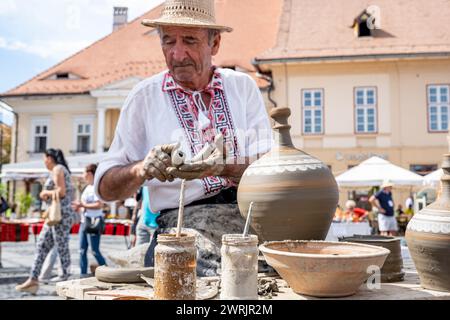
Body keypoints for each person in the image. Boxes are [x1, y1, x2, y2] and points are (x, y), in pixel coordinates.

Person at [94, 0, 272, 276]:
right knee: (223, 275)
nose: (177, 54)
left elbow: (270, 171)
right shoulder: (144, 97)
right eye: (168, 41)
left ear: (215, 44)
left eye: (189, 40)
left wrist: (226, 168)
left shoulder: (243, 87)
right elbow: (106, 189)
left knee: (290, 264)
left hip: (250, 219)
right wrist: (142, 169)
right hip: (182, 226)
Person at [16, 149, 75, 294]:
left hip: (60, 216)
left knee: (62, 247)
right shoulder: (57, 170)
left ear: (49, 158)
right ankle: (33, 279)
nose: (43, 161)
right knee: (42, 244)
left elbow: (61, 192)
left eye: (44, 158)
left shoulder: (58, 169)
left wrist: (44, 193)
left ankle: (65, 280)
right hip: (53, 217)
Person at [72, 164, 107, 278]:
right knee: (81, 250)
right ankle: (83, 274)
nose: (83, 175)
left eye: (84, 172)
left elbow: (99, 205)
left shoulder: (97, 187)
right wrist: (80, 207)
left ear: (90, 173)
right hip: (85, 221)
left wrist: (83, 205)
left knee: (94, 250)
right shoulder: (87, 187)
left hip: (94, 221)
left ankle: (107, 270)